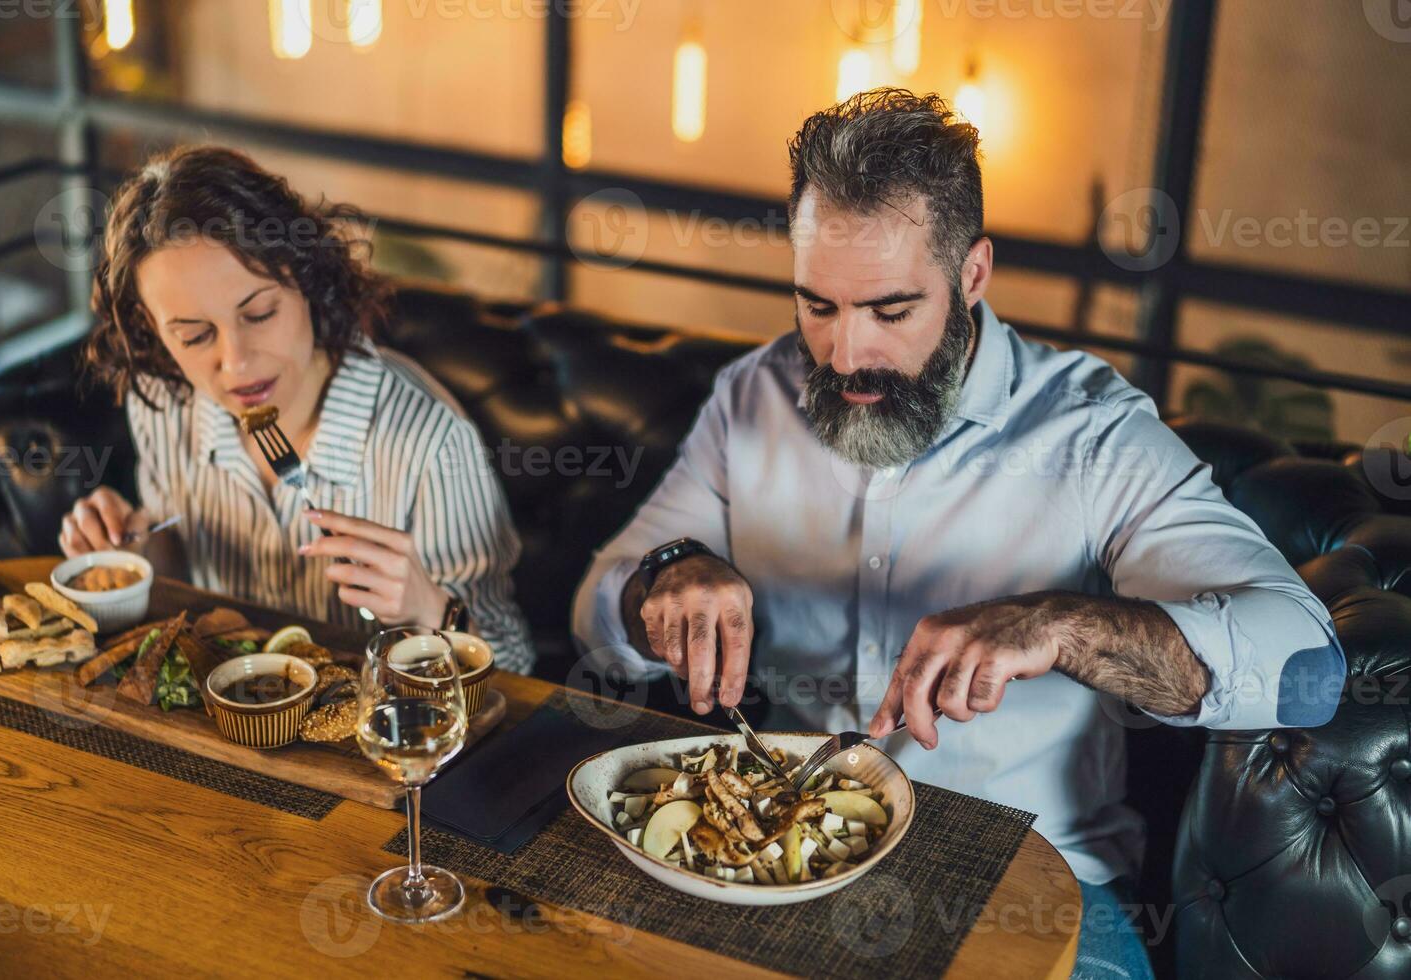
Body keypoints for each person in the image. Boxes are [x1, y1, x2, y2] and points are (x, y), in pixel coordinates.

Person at [572, 90, 1344, 976]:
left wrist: (1056, 625)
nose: (844, 353)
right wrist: (666, 575)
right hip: (779, 862)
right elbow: (600, 614)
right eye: (816, 306)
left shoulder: (1092, 432)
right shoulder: (753, 396)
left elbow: (1309, 669)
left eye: (890, 311)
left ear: (973, 274)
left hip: (1034, 879)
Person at [63, 145, 535, 673]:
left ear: (306, 278)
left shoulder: (429, 441)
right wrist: (136, 552)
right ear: (154, 331)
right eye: (195, 336)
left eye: (260, 314)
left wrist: (431, 610)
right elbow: (181, 567)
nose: (236, 365)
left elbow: (513, 668)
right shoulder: (164, 400)